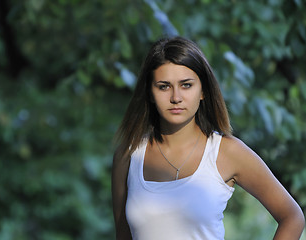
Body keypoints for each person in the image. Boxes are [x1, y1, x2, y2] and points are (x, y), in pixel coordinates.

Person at [112, 36, 305, 240]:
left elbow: (292, 217)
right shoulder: (129, 154)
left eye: (186, 85)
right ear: (150, 92)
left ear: (203, 90)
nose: (176, 97)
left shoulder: (226, 152)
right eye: (164, 86)